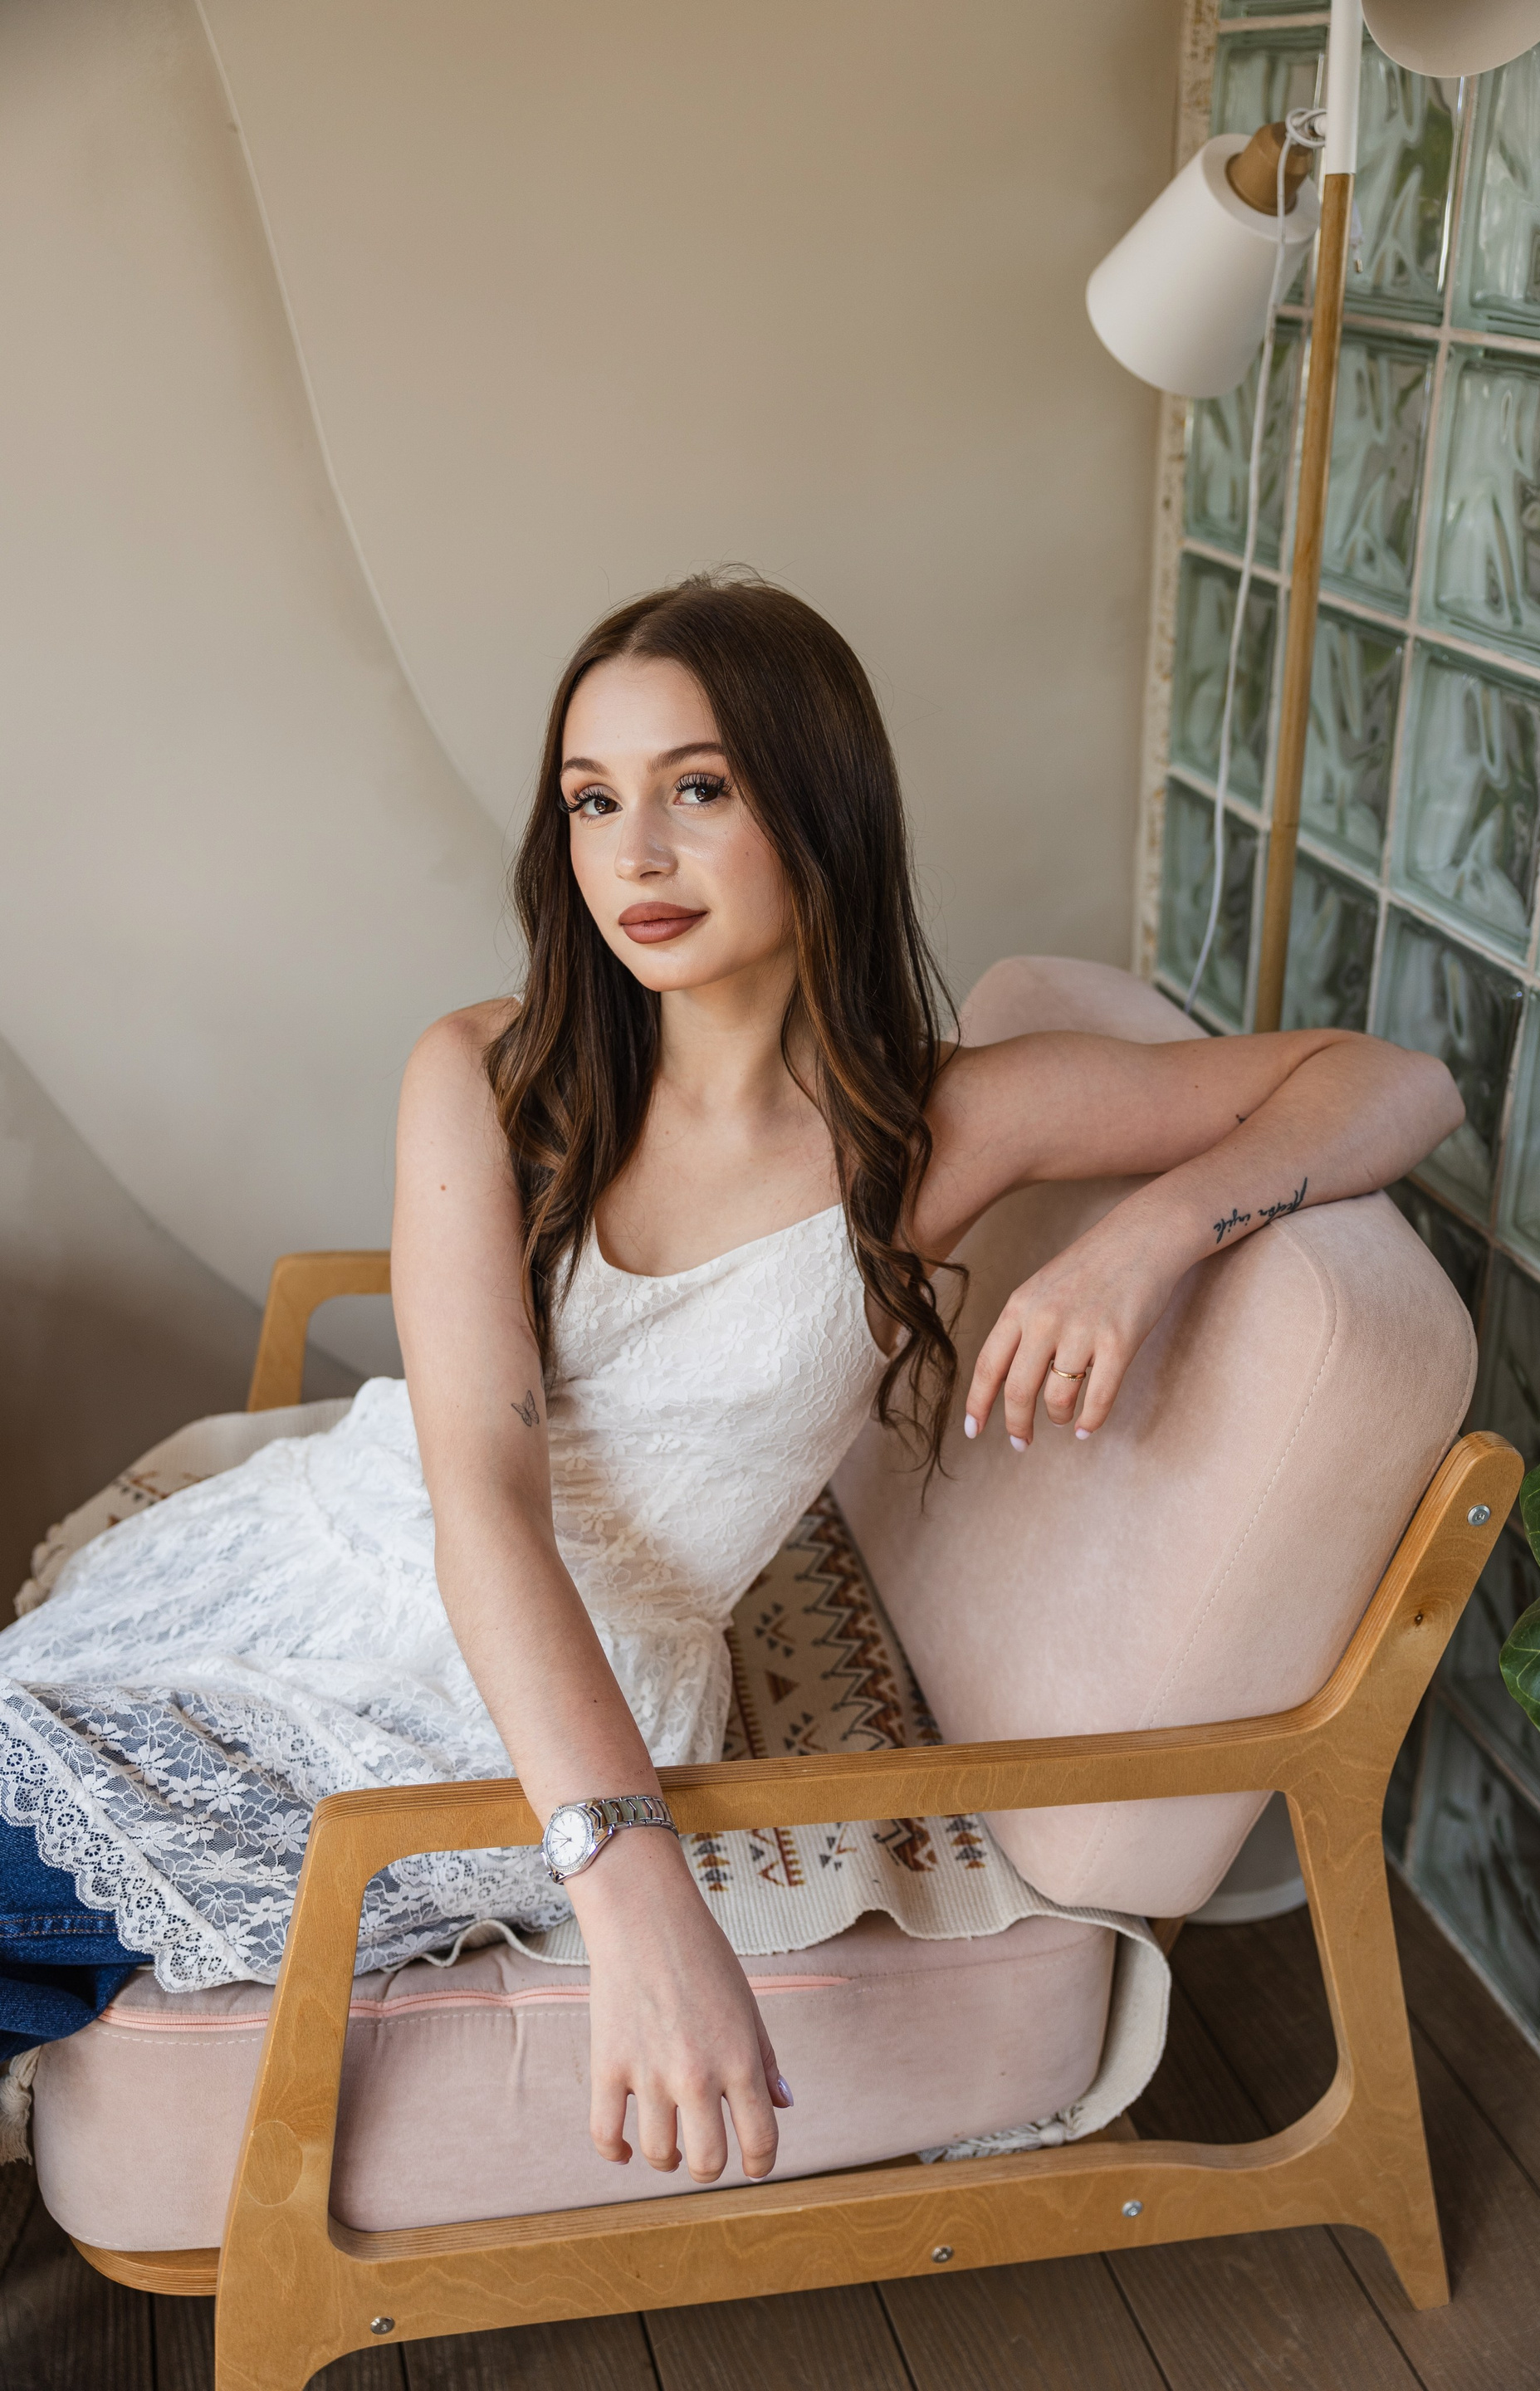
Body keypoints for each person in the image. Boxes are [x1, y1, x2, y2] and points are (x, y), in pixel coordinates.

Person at [0, 575, 1463, 2188]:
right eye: (592, 801)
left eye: (697, 789)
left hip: (519, 1698)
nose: (634, 854)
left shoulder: (939, 1131)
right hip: (332, 1566)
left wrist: (1151, 1239)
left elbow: (1393, 1081)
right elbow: (483, 1500)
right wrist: (640, 1900)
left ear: (818, 806)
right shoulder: (489, 1075)